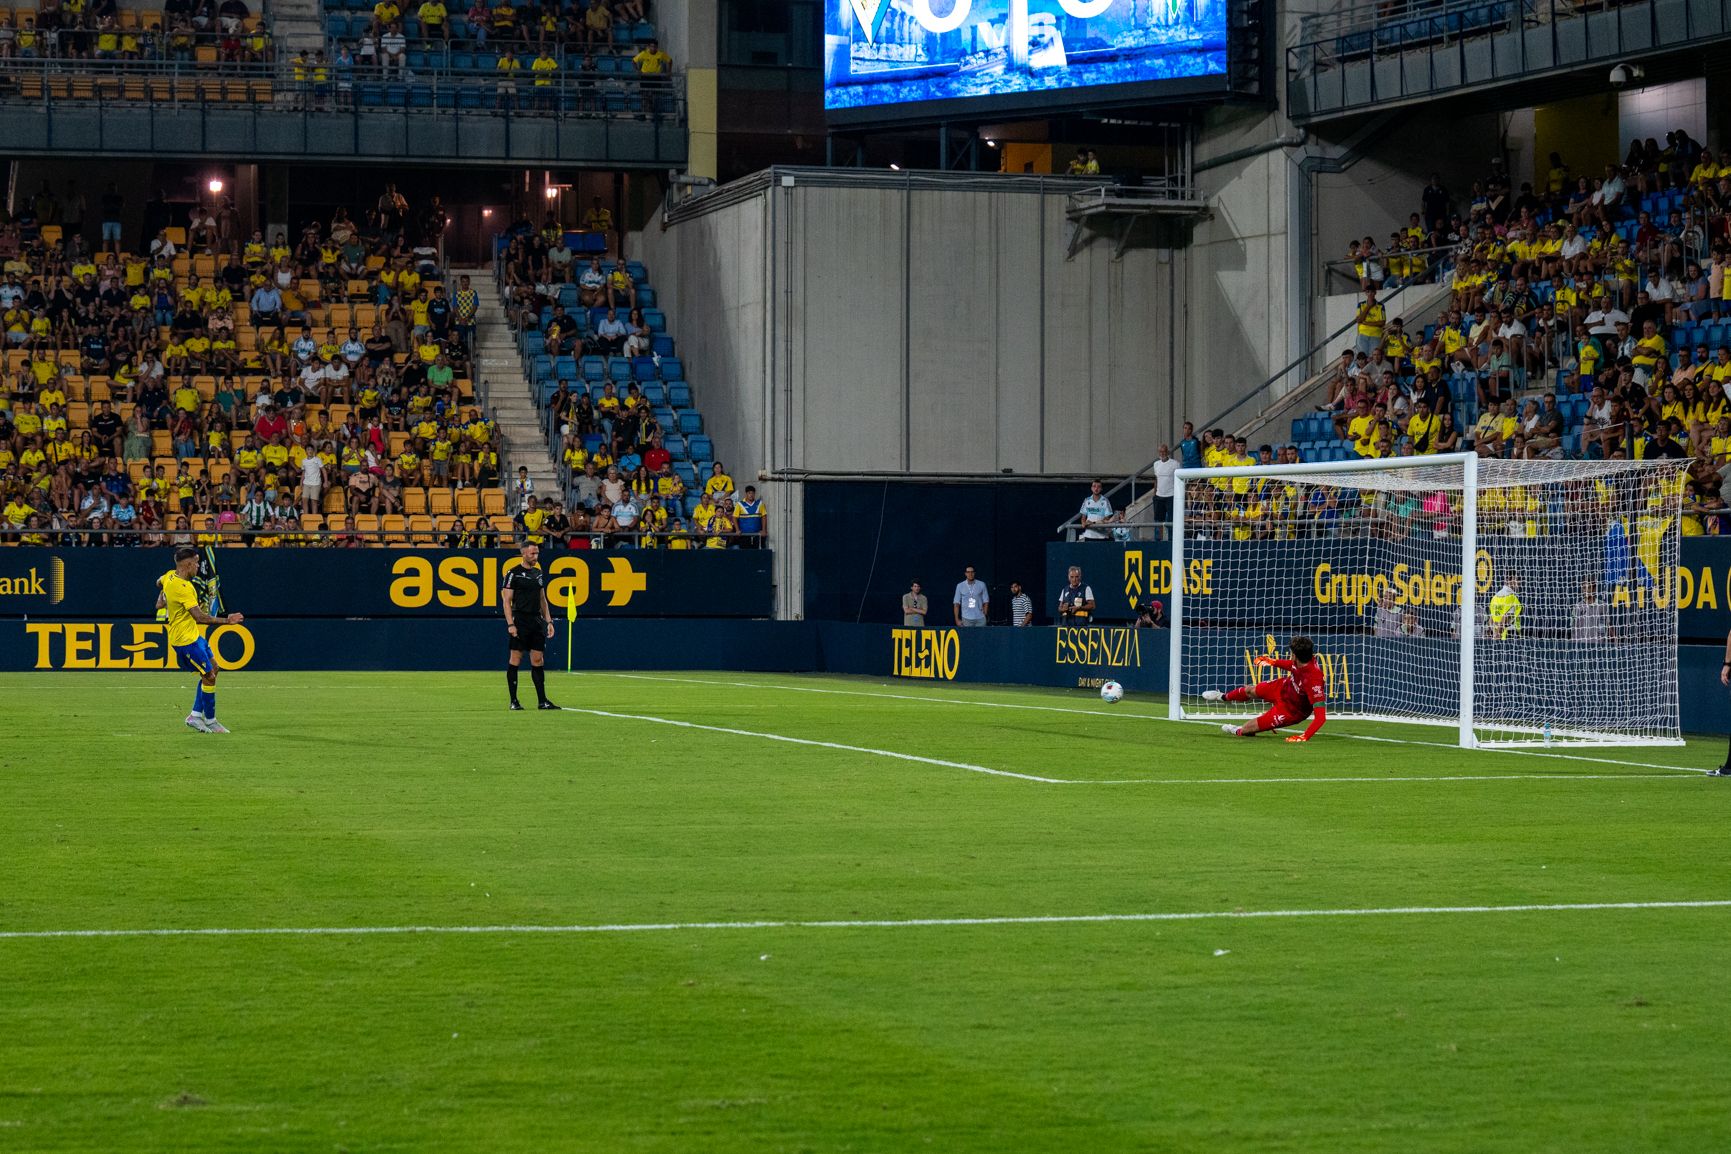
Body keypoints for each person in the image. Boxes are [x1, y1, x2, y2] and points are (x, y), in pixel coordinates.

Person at [155, 547, 245, 733]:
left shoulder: (169, 575)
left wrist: (163, 598)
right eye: (196, 563)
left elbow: (159, 582)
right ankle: (210, 720)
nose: (198, 566)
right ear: (188, 565)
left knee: (214, 669)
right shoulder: (184, 588)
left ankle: (196, 716)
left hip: (194, 636)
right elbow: (199, 617)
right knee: (209, 676)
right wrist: (227, 621)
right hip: (185, 641)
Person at [1203, 635, 1328, 742]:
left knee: (1247, 729)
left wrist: (1304, 736)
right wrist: (1272, 661)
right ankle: (1222, 697)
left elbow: (1321, 717)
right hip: (1282, 687)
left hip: (1291, 711)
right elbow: (1293, 666)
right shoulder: (1305, 660)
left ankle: (1236, 729)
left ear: (1294, 656)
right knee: (1250, 690)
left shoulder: (1314, 680)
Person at [501, 540, 559, 711]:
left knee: (538, 660)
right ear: (524, 553)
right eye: (533, 553)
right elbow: (506, 601)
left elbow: (542, 599)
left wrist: (549, 621)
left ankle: (542, 701)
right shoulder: (513, 573)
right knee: (515, 659)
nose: (536, 556)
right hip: (520, 620)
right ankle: (514, 701)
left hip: (536, 621)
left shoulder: (538, 573)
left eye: (537, 553)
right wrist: (510, 624)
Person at [1152, 444, 1178, 533]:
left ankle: (1171, 539)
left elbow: (1179, 480)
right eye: (1160, 452)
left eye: (1164, 451)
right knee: (1158, 521)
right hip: (1159, 496)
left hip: (1171, 496)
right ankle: (1158, 540)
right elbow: (1156, 479)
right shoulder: (1156, 464)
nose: (1162, 453)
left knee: (1171, 521)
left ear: (1167, 452)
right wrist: (1154, 494)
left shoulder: (1175, 464)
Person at [1489, 573, 1522, 639]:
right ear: (1508, 580)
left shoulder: (1495, 597)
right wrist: (1498, 634)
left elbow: (1491, 618)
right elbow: (1506, 616)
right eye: (1517, 579)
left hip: (1496, 635)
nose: (1519, 582)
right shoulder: (1512, 598)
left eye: (1519, 579)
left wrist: (1494, 633)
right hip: (1509, 635)